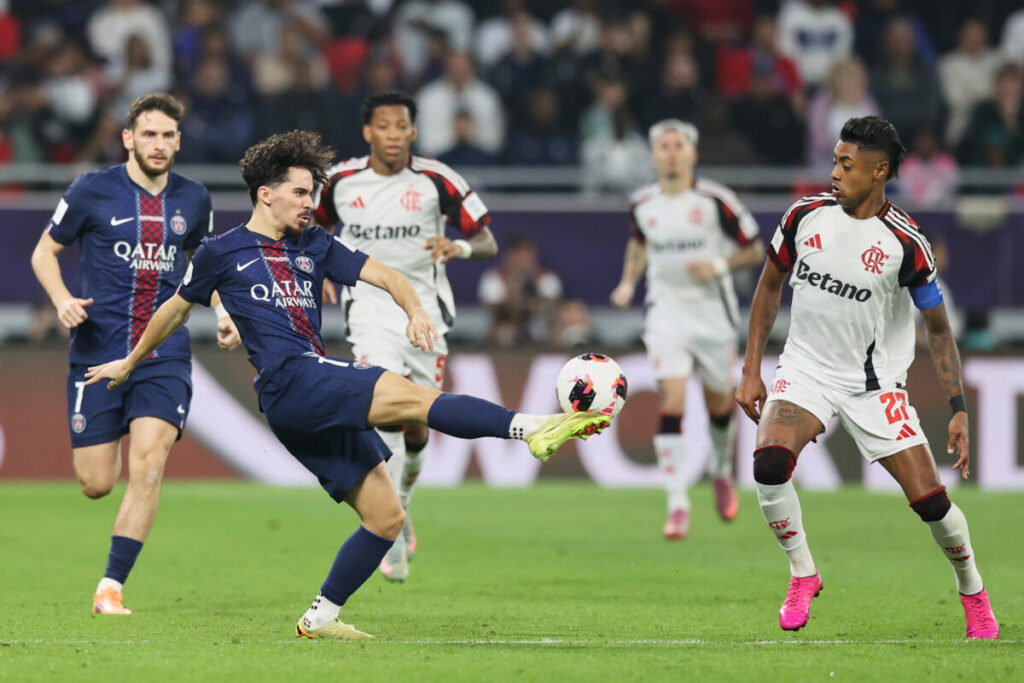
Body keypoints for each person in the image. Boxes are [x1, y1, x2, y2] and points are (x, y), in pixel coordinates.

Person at [84, 129, 610, 640]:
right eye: (299, 192)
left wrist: (415, 312)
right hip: (292, 380)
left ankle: (320, 617)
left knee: (386, 518)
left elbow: (391, 277)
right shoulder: (221, 252)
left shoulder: (314, 244)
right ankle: (531, 428)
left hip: (305, 394)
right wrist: (129, 362)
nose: (309, 203)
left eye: (312, 193)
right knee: (416, 399)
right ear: (265, 195)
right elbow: (173, 311)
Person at [735, 115, 998, 639]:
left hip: (874, 386)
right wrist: (750, 370)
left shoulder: (906, 242)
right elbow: (768, 288)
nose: (834, 172)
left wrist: (958, 409)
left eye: (846, 164)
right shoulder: (803, 216)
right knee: (769, 463)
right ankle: (803, 573)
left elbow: (938, 329)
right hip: (805, 369)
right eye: (835, 161)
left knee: (931, 502)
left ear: (879, 171)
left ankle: (973, 591)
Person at [29, 93, 240, 615]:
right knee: (96, 483)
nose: (159, 144)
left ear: (179, 141)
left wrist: (224, 310)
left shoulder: (194, 199)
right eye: (149, 134)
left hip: (163, 354)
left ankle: (110, 588)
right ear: (128, 138)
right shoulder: (91, 189)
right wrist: (61, 300)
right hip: (96, 352)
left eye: (168, 135)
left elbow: (206, 271)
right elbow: (44, 252)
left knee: (148, 466)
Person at [314, 90, 499, 583]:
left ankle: (403, 500)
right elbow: (307, 230)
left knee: (418, 423)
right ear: (367, 132)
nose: (393, 135)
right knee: (383, 402)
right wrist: (322, 267)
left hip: (425, 314)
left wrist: (459, 247)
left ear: (413, 131)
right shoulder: (340, 182)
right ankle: (390, 528)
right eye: (384, 126)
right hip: (368, 309)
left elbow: (487, 241)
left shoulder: (438, 180)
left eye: (401, 126)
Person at [610, 119, 764, 541]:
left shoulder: (716, 200)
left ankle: (720, 471)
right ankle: (677, 502)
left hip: (712, 315)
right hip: (666, 313)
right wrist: (627, 282)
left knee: (719, 405)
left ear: (692, 154)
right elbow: (639, 242)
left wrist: (718, 265)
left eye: (679, 146)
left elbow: (755, 249)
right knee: (672, 402)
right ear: (654, 155)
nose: (672, 153)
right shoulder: (643, 203)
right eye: (664, 146)